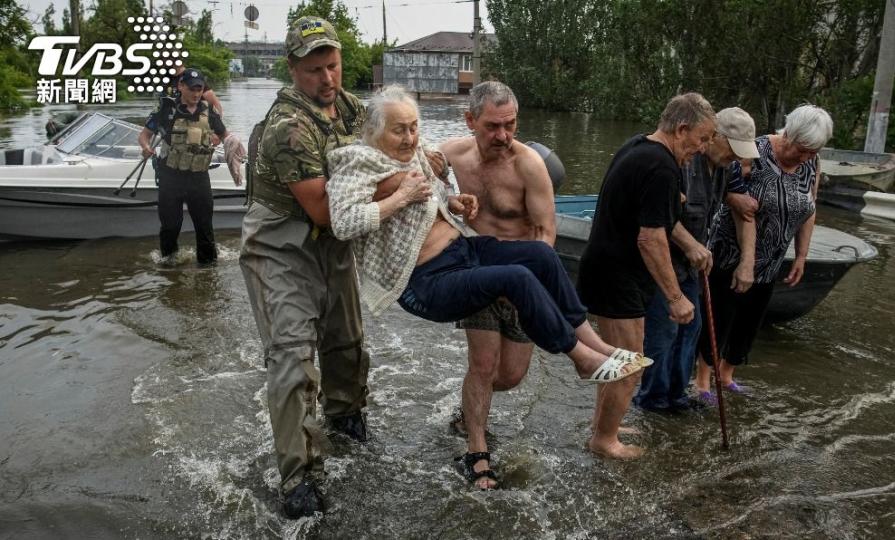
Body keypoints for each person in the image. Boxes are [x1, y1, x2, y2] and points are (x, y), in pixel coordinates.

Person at [325, 85, 649, 483]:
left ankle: (592, 346)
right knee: (488, 351)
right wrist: (403, 193)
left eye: (413, 128)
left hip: (470, 257)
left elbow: (444, 196)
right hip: (431, 280)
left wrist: (454, 203)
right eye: (399, 130)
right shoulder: (361, 162)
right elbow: (343, 222)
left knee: (539, 264)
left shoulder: (513, 163)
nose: (410, 138)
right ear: (471, 122)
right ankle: (565, 372)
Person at [237, 17, 372, 520]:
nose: (327, 79)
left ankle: (347, 418)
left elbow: (387, 148)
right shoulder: (288, 128)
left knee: (346, 341)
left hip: (331, 245)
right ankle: (297, 475)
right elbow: (324, 210)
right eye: (314, 69)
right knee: (293, 358)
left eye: (332, 65)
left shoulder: (350, 106)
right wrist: (401, 193)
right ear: (293, 70)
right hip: (282, 246)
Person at [577, 93, 716, 458]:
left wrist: (675, 202)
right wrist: (675, 297)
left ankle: (602, 426)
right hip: (617, 274)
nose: (703, 149)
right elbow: (651, 238)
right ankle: (604, 441)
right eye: (701, 139)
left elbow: (652, 211)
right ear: (682, 128)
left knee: (617, 360)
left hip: (607, 267)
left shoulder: (640, 146)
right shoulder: (662, 167)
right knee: (629, 364)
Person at [439, 81, 555, 489]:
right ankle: (477, 452)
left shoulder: (528, 166)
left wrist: (529, 285)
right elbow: (411, 165)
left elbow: (545, 233)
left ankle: (466, 412)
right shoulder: (452, 154)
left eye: (511, 125)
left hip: (521, 282)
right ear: (470, 120)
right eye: (492, 126)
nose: (503, 136)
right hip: (477, 275)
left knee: (510, 375)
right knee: (483, 367)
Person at [693, 104, 833, 401]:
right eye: (804, 149)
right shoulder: (753, 151)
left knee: (750, 320)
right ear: (790, 135)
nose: (807, 156)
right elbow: (722, 186)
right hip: (731, 251)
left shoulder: (812, 163)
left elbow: (809, 209)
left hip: (772, 257)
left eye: (813, 151)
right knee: (721, 315)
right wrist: (736, 199)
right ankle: (703, 381)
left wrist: (802, 255)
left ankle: (727, 374)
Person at [632, 107, 760, 413]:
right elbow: (658, 216)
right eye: (733, 149)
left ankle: (677, 397)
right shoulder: (682, 161)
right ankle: (653, 400)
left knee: (692, 328)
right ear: (714, 137)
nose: (737, 159)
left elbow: (742, 210)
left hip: (692, 267)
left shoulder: (726, 168)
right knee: (664, 332)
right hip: (665, 262)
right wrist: (690, 245)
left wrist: (746, 261)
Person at [138, 68, 231, 266]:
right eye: (191, 89)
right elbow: (144, 135)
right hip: (171, 178)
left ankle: (208, 273)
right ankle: (169, 272)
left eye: (199, 89)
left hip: (199, 178)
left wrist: (229, 144)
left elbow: (226, 137)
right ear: (181, 86)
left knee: (204, 228)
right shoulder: (166, 110)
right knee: (170, 227)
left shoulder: (209, 112)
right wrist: (146, 148)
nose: (196, 94)